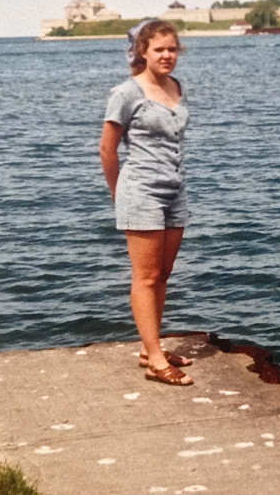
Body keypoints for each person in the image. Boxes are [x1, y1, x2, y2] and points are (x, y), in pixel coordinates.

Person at [99, 19, 195, 386]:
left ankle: (149, 345)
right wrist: (117, 192)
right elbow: (107, 149)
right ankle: (155, 359)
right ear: (143, 52)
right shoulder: (126, 93)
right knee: (146, 276)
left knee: (164, 275)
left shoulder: (176, 87)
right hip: (140, 192)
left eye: (172, 48)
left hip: (175, 190)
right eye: (159, 49)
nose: (168, 55)